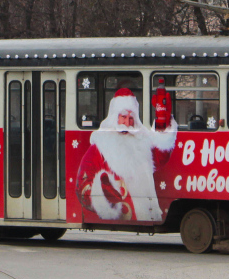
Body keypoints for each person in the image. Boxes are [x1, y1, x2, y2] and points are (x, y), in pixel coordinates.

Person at [75, 86, 177, 222]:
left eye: (131, 119)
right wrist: (102, 194)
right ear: (114, 117)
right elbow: (82, 184)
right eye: (123, 117)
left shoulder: (142, 143)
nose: (127, 123)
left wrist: (163, 122)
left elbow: (160, 157)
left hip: (147, 217)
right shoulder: (99, 147)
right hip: (116, 219)